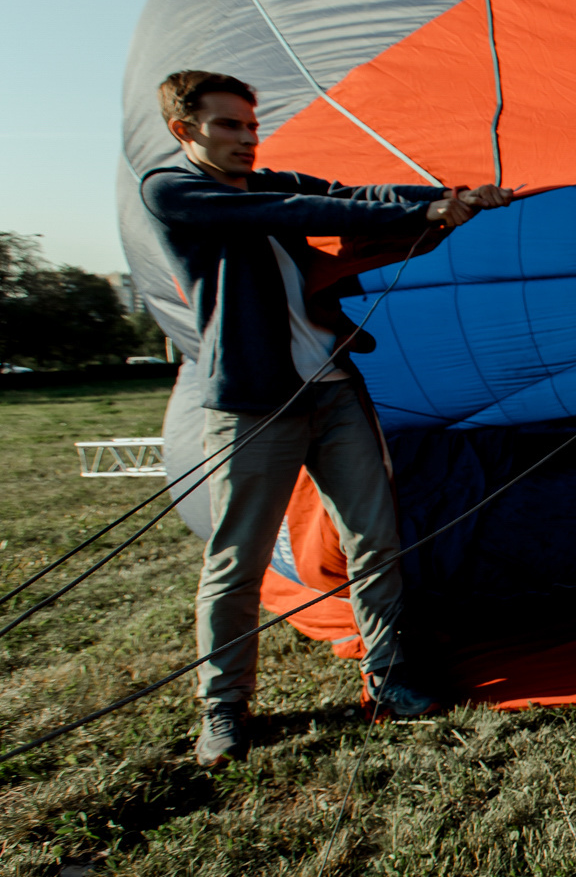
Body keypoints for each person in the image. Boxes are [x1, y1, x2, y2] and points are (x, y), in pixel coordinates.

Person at [139, 70, 514, 766]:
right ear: (183, 130)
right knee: (238, 558)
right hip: (254, 403)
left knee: (374, 538)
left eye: (252, 125)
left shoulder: (269, 185)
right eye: (228, 125)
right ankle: (224, 707)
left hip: (334, 390)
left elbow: (352, 197)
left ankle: (390, 675)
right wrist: (425, 211)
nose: (247, 138)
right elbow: (295, 210)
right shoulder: (172, 191)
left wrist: (450, 200)